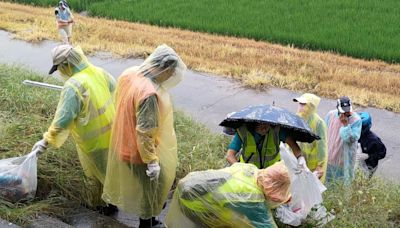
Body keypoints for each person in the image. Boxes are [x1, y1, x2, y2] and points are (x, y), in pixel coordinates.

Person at [102, 44, 187, 228]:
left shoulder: (130, 74)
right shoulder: (149, 94)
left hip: (123, 142)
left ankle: (131, 214)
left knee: (145, 188)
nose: (170, 77)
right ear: (163, 68)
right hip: (139, 153)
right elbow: (145, 131)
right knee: (150, 191)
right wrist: (152, 161)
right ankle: (147, 224)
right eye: (170, 72)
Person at [32, 44, 116, 212]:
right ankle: (110, 203)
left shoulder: (73, 86)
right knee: (109, 172)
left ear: (67, 64)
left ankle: (102, 207)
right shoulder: (98, 71)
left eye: (60, 67)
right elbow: (113, 88)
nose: (61, 71)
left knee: (94, 175)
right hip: (112, 132)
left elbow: (63, 119)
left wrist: (45, 141)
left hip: (93, 141)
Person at [165, 162, 291, 228]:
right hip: (195, 204)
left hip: (193, 186)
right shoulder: (253, 200)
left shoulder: (251, 170)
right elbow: (266, 225)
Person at [225, 122, 309, 170]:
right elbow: (229, 156)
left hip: (272, 172)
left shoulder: (277, 131)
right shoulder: (243, 132)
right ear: (253, 125)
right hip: (249, 173)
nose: (264, 129)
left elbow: (294, 146)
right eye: (260, 127)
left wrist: (300, 158)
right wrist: (240, 169)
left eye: (266, 126)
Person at [325, 96, 361, 185]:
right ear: (337, 108)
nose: (346, 113)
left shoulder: (356, 120)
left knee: (341, 183)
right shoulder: (330, 115)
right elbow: (324, 132)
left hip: (344, 159)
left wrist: (345, 124)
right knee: (326, 182)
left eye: (347, 110)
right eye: (343, 111)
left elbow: (351, 139)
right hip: (329, 156)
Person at [293, 93, 328, 183]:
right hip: (297, 160)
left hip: (312, 166)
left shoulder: (318, 123)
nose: (300, 107)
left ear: (311, 106)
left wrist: (320, 165)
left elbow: (322, 146)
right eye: (299, 103)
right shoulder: (297, 118)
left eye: (303, 104)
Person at [356, 112, 386, 179]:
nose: (358, 129)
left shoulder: (374, 140)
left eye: (360, 127)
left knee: (363, 182)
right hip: (356, 163)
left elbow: (382, 153)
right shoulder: (355, 134)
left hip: (368, 166)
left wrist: (368, 156)